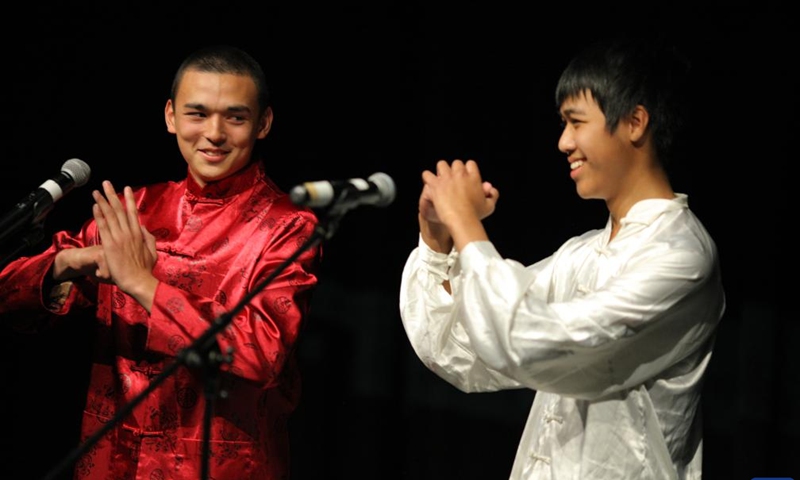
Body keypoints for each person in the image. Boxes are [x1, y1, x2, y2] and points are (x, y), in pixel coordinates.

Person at [399, 35, 725, 479]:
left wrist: (467, 225)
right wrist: (439, 245)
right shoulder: (583, 253)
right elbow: (466, 349)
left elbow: (529, 341)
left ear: (634, 122)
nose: (563, 142)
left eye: (576, 122)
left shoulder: (681, 256)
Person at [0, 45, 322, 479]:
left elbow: (261, 353)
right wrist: (71, 261)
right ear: (170, 116)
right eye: (197, 114)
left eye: (235, 117)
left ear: (263, 123)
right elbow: (9, 293)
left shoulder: (288, 225)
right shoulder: (136, 210)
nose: (214, 133)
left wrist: (142, 284)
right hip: (111, 459)